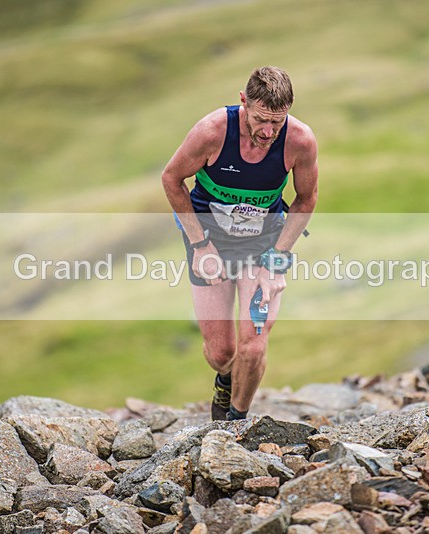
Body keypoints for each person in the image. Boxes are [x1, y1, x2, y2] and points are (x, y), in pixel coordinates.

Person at [161, 66, 318, 421]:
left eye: (277, 122)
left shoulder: (300, 141)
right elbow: (172, 179)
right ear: (243, 102)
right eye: (261, 119)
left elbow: (305, 200)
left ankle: (234, 423)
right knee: (221, 353)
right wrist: (200, 246)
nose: (268, 132)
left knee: (253, 345)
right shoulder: (212, 132)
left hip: (264, 244)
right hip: (209, 238)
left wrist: (278, 261)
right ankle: (225, 379)